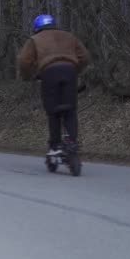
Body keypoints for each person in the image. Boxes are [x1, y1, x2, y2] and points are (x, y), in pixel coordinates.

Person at [17, 14, 90, 156]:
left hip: (49, 73)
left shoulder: (34, 40)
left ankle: (55, 145)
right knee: (70, 109)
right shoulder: (69, 36)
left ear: (36, 28)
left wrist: (28, 76)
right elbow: (85, 56)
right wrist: (76, 70)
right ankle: (72, 141)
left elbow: (24, 62)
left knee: (53, 110)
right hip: (70, 72)